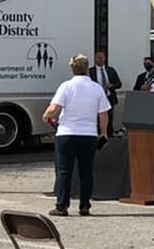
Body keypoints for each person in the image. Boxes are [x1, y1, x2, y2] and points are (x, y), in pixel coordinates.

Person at [43, 54, 110, 217]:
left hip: (67, 133)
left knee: (64, 171)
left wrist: (46, 116)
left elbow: (55, 108)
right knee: (86, 172)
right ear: (87, 68)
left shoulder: (66, 86)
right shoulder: (96, 88)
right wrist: (103, 133)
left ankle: (62, 206)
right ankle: (85, 205)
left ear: (72, 69)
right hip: (88, 134)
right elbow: (103, 114)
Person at [89, 50, 122, 131]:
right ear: (95, 58)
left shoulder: (111, 70)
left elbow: (119, 84)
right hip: (96, 99)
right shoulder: (91, 71)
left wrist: (111, 86)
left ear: (105, 58)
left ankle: (109, 136)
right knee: (97, 119)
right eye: (98, 57)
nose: (100, 59)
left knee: (109, 119)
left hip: (109, 97)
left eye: (102, 57)